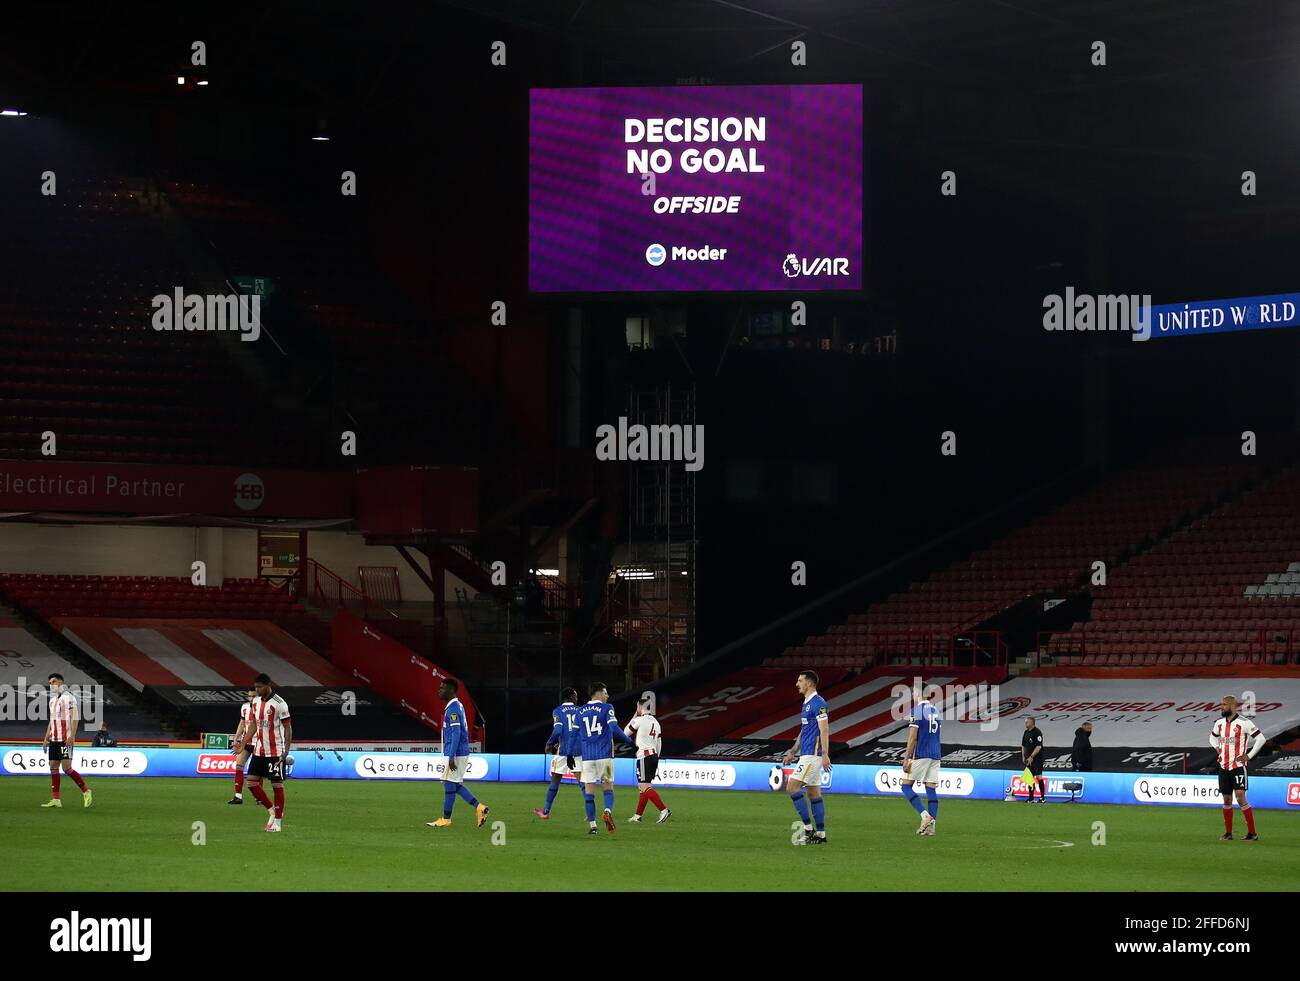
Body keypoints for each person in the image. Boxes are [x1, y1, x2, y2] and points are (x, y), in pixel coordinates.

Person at [429, 678, 489, 829]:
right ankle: (479, 807)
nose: (439, 690)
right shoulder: (457, 705)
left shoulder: (453, 709)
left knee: (450, 786)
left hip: (455, 753)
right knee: (453, 785)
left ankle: (446, 819)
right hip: (458, 752)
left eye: (442, 688)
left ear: (451, 691)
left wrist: (450, 756)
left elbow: (456, 733)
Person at [576, 682, 634, 835]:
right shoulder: (607, 708)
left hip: (587, 758)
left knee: (589, 793)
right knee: (608, 789)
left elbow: (575, 735)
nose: (607, 696)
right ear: (599, 693)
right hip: (604, 757)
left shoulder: (580, 711)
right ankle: (607, 811)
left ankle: (593, 826)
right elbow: (614, 727)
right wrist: (630, 743)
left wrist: (569, 754)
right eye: (606, 693)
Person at [781, 670, 830, 844]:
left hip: (813, 755)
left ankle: (808, 830)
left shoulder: (818, 703)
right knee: (813, 793)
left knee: (792, 787)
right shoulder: (806, 704)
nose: (797, 683)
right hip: (806, 754)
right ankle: (821, 834)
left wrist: (825, 754)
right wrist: (793, 751)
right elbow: (804, 730)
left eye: (800, 680)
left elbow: (824, 729)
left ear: (809, 683)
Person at [1210, 695, 1264, 841]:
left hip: (1238, 766)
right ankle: (1228, 833)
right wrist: (1217, 748)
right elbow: (1212, 737)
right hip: (1223, 766)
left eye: (1225, 704)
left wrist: (1249, 755)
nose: (1222, 707)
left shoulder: (1244, 723)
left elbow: (1261, 738)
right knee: (1227, 799)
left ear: (1233, 706)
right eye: (1221, 704)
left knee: (1240, 797)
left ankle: (1252, 833)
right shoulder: (1219, 723)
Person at [246, 674, 291, 833]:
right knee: (251, 784)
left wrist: (286, 749)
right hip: (259, 751)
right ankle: (272, 810)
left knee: (277, 786)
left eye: (259, 687)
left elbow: (287, 727)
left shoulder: (280, 704)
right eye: (255, 686)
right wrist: (243, 743)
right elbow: (253, 725)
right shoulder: (256, 702)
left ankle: (277, 823)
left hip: (275, 752)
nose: (257, 690)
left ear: (268, 685)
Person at [41, 673, 92, 809]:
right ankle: (56, 799)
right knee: (53, 767)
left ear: (61, 683)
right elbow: (51, 721)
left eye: (54, 682)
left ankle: (86, 791)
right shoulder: (52, 701)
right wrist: (46, 738)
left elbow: (75, 717)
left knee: (66, 768)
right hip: (53, 740)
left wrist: (72, 736)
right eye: (50, 683)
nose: (51, 685)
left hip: (65, 740)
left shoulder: (69, 698)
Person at [534, 687, 584, 820]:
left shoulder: (558, 711)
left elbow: (558, 730)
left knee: (555, 780)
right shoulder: (580, 710)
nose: (577, 698)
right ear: (571, 697)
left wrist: (550, 743)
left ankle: (546, 811)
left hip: (563, 751)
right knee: (583, 783)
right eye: (576, 695)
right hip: (579, 750)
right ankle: (590, 813)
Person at [900, 685, 941, 836]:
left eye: (913, 691)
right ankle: (931, 828)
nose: (912, 694)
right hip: (935, 754)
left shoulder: (916, 711)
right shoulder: (935, 710)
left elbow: (912, 738)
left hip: (921, 754)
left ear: (918, 693)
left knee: (905, 786)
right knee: (930, 789)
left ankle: (925, 816)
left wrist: (906, 758)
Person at [626, 696, 670, 824]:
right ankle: (638, 815)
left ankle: (664, 810)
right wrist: (657, 758)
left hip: (644, 757)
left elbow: (625, 732)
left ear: (640, 707)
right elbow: (659, 743)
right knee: (644, 787)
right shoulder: (656, 722)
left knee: (644, 787)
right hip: (654, 756)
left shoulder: (639, 720)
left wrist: (635, 715)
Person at [228, 685, 258, 804]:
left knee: (256, 772)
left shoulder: (263, 708)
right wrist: (236, 739)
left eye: (253, 696)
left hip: (259, 743)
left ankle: (258, 798)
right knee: (238, 766)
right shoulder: (244, 707)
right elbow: (242, 723)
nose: (251, 698)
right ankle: (238, 796)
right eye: (249, 696)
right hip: (246, 743)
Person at [1021, 716, 1046, 802]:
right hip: (1028, 759)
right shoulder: (1026, 732)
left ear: (1032, 722)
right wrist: (1024, 756)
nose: (1025, 723)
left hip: (1037, 759)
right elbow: (1023, 745)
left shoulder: (1037, 732)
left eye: (1027, 722)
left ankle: (1042, 798)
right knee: (1029, 778)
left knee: (1039, 777)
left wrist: (1032, 756)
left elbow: (1039, 746)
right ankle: (1031, 798)